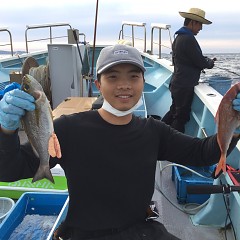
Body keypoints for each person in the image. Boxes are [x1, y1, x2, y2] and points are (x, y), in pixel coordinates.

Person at [0, 44, 240, 240]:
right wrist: (6, 131)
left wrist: (234, 123)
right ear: (98, 85)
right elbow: (11, 169)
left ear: (142, 83)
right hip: (85, 234)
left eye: (133, 76)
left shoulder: (154, 131)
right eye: (112, 77)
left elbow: (203, 153)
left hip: (142, 230)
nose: (124, 84)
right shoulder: (67, 129)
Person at [162, 8, 215, 133]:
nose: (201, 28)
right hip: (184, 85)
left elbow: (188, 59)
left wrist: (204, 61)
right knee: (181, 117)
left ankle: (156, 132)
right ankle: (174, 145)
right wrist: (210, 62)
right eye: (200, 24)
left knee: (174, 111)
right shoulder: (188, 39)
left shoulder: (179, 37)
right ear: (192, 22)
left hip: (177, 83)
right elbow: (200, 61)